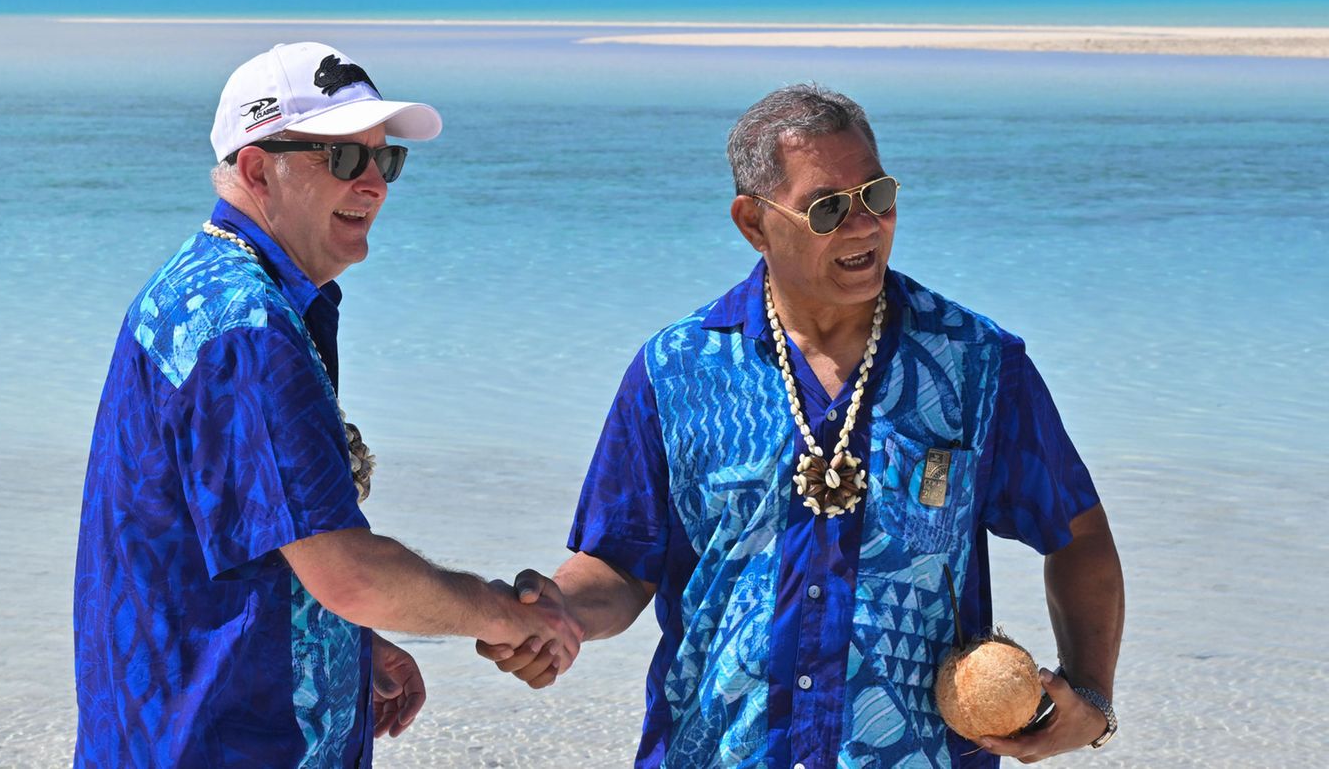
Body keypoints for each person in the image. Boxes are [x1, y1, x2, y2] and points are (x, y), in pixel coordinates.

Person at [480, 84, 1124, 767]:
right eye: (828, 208)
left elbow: (1079, 537)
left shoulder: (975, 365)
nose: (864, 226)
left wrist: (1091, 697)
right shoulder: (677, 370)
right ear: (753, 224)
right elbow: (619, 563)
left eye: (878, 196)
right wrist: (560, 618)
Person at [73, 41, 582, 768]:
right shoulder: (246, 327)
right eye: (344, 159)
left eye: (386, 160)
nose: (375, 183)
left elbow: (229, 536)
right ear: (256, 169)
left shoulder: (209, 291)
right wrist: (500, 613)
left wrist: (353, 640)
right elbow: (348, 573)